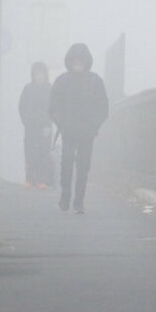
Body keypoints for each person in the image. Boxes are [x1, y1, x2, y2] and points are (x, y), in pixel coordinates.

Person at [49, 43, 109, 213]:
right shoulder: (62, 81)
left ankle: (79, 201)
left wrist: (93, 125)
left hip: (87, 132)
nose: (77, 65)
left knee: (83, 166)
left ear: (86, 62)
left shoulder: (95, 81)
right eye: (75, 62)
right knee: (67, 161)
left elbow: (103, 107)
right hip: (68, 131)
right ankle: (66, 193)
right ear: (70, 62)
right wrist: (62, 123)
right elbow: (53, 106)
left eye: (80, 62)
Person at [18, 62, 54, 189]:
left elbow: (54, 108)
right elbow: (21, 106)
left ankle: (41, 180)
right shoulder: (28, 89)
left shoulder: (50, 89)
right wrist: (26, 121)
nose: (39, 76)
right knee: (29, 152)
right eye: (36, 74)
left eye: (42, 74)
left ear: (46, 75)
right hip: (30, 126)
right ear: (32, 75)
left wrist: (48, 124)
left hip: (45, 127)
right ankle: (29, 179)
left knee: (43, 152)